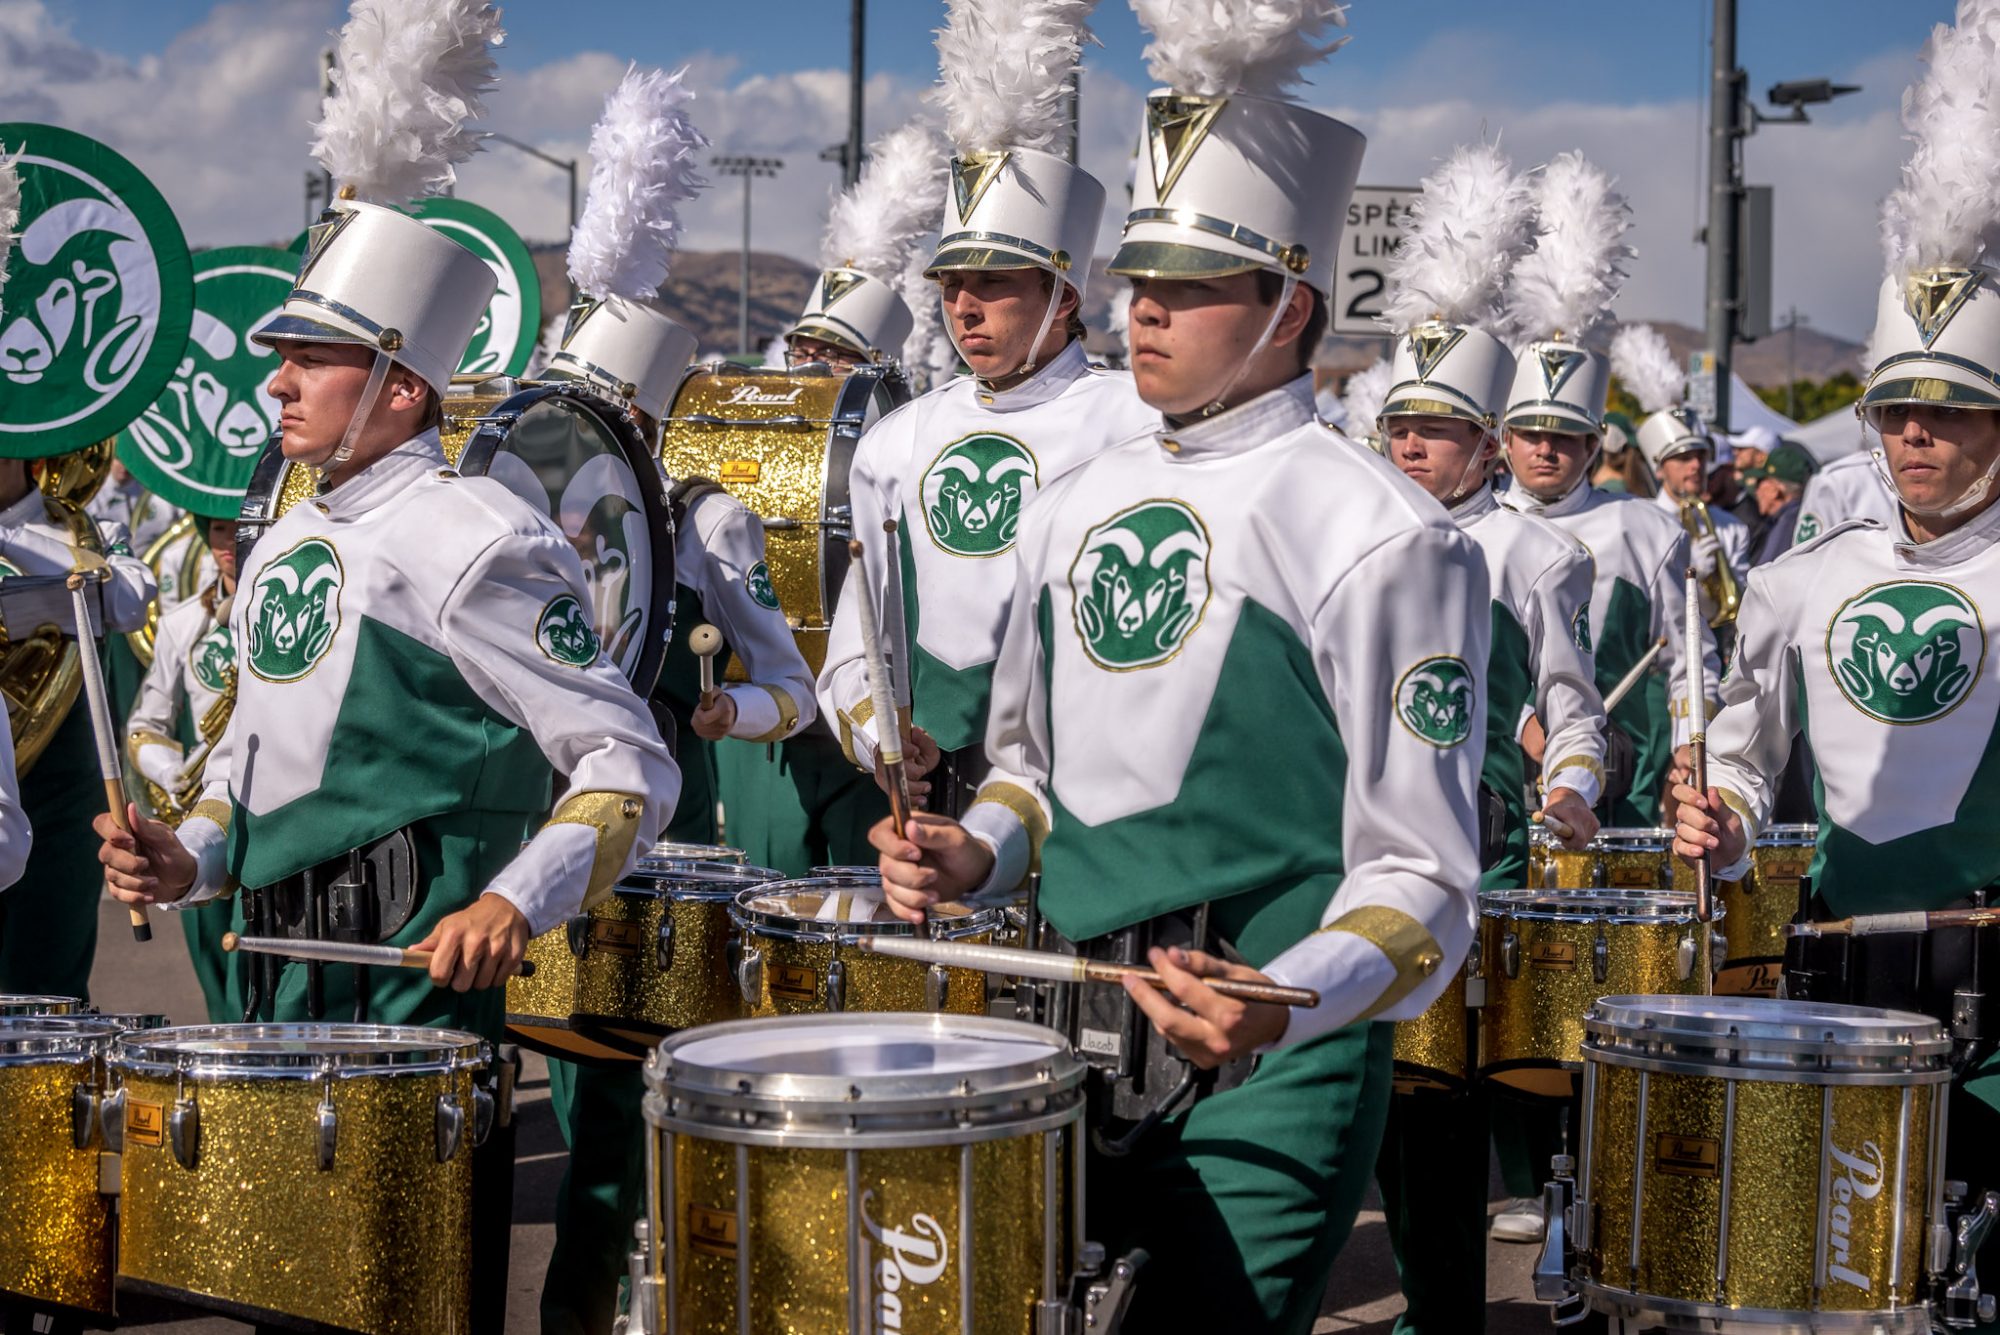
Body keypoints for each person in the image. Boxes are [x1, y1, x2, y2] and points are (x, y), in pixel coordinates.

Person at [871, 14, 1489, 1327]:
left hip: (1271, 1057)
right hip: (1066, 1033)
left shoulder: (1382, 533)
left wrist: (1282, 1002)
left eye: (1197, 281)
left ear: (1291, 307)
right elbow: (1032, 775)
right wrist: (977, 851)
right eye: (1141, 275)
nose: (1147, 305)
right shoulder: (1067, 501)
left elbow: (1425, 878)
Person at [95, 197, 678, 1035]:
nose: (277, 382)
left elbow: (628, 765)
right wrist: (188, 857)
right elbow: (246, 768)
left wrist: (514, 899)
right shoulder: (288, 534)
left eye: (310, 359)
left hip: (410, 999)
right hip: (268, 970)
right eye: (281, 357)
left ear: (403, 385)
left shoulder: (482, 535)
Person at [1674, 2, 2000, 1303]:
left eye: (1954, 411)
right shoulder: (1800, 579)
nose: (1920, 437)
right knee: (1834, 1282)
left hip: (1999, 993)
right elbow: (1748, 764)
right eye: (1899, 411)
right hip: (1844, 976)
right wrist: (1725, 817)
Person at [533, 66, 814, 1334]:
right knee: (564, 1101)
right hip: (541, 825)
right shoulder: (515, 507)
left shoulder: (709, 521)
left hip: (661, 832)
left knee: (629, 1106)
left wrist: (728, 716)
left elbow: (791, 689)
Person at [1371, 141, 1607, 1334]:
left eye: (1439, 428)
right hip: (1349, 863)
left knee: (1440, 1113)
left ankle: (1443, 1316)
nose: (1412, 446)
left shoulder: (1531, 553)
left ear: (1484, 441)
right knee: (1371, 1114)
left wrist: (1565, 788)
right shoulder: (1340, 537)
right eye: (1398, 424)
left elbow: (1571, 716)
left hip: (1478, 867)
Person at [815, 0, 1153, 819]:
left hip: (1095, 795)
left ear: (1064, 296)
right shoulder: (898, 441)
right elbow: (859, 641)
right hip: (932, 789)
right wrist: (880, 733)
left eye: (995, 282)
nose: (964, 307)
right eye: (952, 284)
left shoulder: (1135, 424)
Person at [713, 120, 946, 876]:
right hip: (768, 729)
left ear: (876, 374)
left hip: (871, 733)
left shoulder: (911, 450)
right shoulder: (741, 441)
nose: (810, 368)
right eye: (802, 351)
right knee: (762, 901)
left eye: (834, 356)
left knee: (868, 920)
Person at [1499, 156, 1719, 828]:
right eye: (1530, 432)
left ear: (1595, 445)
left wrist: (1690, 745)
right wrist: (1526, 728)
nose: (1545, 448)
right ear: (1503, 438)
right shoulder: (1472, 531)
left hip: (1626, 797)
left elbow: (1690, 664)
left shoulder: (1646, 530)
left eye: (1565, 436)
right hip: (1495, 797)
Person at [0, 453, 156, 999]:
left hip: (61, 781)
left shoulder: (86, 527)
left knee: (47, 979)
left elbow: (130, 601)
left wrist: (22, 549)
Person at [123, 511, 241, 1021]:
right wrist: (171, 769)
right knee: (217, 981)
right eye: (216, 529)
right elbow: (144, 722)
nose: (229, 541)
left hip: (273, 811)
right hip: (204, 811)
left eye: (238, 526)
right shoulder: (180, 624)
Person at [1746, 441, 1816, 565]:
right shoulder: (1800, 516)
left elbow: (1764, 575)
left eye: (1760, 482)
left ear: (1775, 490)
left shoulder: (1788, 521)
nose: (1756, 491)